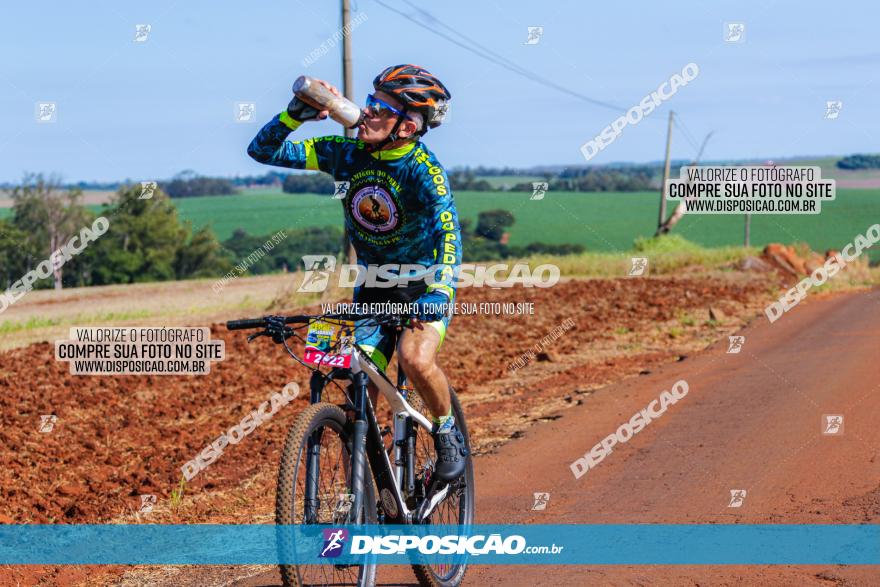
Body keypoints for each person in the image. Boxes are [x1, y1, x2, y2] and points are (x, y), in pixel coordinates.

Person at [247, 64, 467, 481]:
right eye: (368, 103)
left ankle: (446, 431)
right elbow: (263, 152)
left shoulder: (423, 170)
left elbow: (448, 231)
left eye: (379, 109)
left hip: (423, 288)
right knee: (352, 385)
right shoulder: (345, 154)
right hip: (372, 288)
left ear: (406, 127)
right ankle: (359, 500)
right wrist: (295, 113)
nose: (366, 113)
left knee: (413, 358)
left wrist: (439, 290)